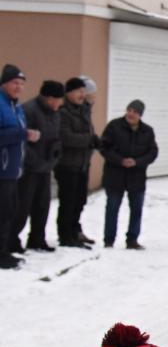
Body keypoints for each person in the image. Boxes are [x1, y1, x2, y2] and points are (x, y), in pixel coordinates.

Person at [99, 99, 158, 250]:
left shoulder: (147, 131)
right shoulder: (114, 126)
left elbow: (152, 152)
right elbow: (103, 147)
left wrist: (137, 162)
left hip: (137, 177)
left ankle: (132, 239)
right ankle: (109, 240)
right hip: (115, 175)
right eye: (129, 110)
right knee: (112, 208)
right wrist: (120, 160)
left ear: (140, 115)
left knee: (136, 210)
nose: (131, 114)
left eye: (135, 112)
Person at [13, 79, 63, 252]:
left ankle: (37, 238)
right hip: (29, 168)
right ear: (50, 98)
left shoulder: (55, 113)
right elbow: (22, 141)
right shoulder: (29, 110)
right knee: (22, 205)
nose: (60, 103)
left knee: (42, 205)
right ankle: (11, 240)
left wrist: (55, 155)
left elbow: (56, 137)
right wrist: (34, 161)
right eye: (59, 99)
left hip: (46, 167)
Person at [57, 76, 98, 248]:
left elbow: (89, 132)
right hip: (67, 164)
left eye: (84, 91)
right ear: (69, 93)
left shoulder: (83, 110)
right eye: (79, 91)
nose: (83, 95)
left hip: (83, 163)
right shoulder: (63, 111)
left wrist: (96, 140)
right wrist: (89, 140)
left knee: (80, 200)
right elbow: (66, 137)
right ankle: (66, 235)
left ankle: (75, 231)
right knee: (68, 201)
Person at [0, 63, 32, 269]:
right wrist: (23, 134)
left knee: (10, 211)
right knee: (3, 212)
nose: (19, 87)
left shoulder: (16, 107)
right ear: (4, 83)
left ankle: (4, 250)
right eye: (14, 82)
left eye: (21, 83)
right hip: (2, 170)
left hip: (13, 170)